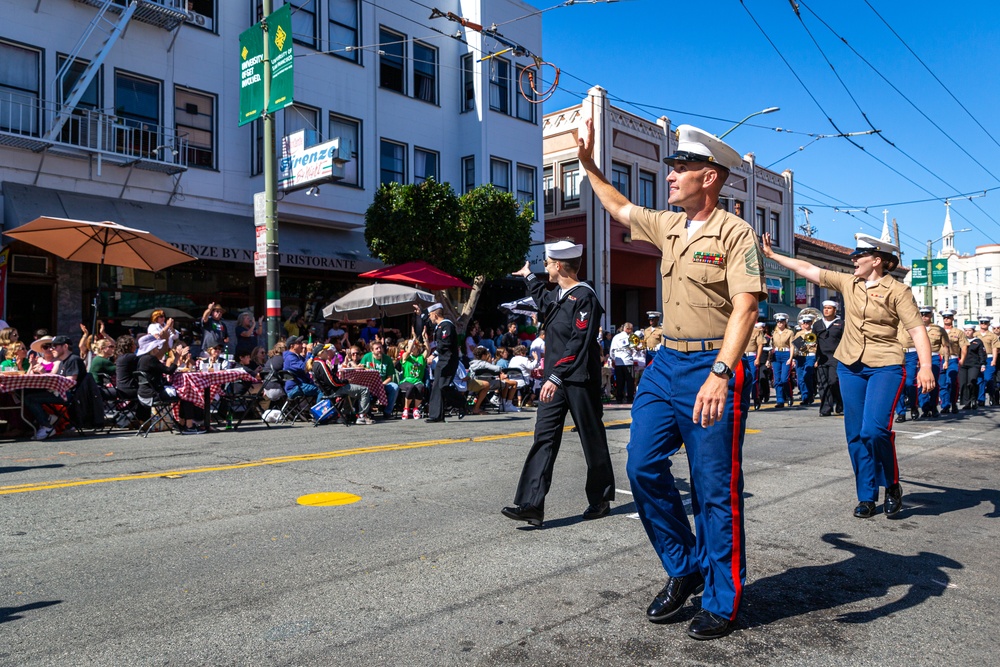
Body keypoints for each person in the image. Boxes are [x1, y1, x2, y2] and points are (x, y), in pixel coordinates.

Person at [578, 120, 763, 639]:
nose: (671, 177)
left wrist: (722, 373)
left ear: (710, 176)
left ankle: (724, 600)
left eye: (680, 169)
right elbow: (617, 205)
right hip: (665, 365)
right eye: (672, 169)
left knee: (714, 489)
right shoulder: (669, 226)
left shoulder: (736, 233)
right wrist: (590, 165)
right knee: (640, 466)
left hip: (712, 364)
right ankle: (685, 568)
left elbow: (746, 307)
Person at [763, 231, 934, 521]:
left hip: (885, 365)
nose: (853, 261)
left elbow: (916, 329)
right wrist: (773, 255)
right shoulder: (849, 282)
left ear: (877, 260)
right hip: (850, 365)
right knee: (855, 434)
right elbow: (809, 269)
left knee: (874, 430)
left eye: (859, 257)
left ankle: (891, 484)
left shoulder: (898, 291)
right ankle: (866, 496)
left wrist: (926, 366)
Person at [501, 240, 615, 528]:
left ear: (560, 266)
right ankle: (531, 505)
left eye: (549, 263)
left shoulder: (584, 297)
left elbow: (579, 341)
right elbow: (542, 300)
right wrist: (527, 275)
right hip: (556, 381)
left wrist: (555, 375)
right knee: (544, 437)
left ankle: (600, 498)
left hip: (578, 380)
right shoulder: (560, 296)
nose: (546, 267)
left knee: (592, 438)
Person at [23, 335, 88, 441]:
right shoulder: (62, 361)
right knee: (28, 394)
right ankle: (47, 419)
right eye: (50, 346)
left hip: (69, 394)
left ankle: (46, 426)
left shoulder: (73, 359)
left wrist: (45, 375)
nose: (52, 349)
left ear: (65, 346)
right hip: (60, 392)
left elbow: (70, 382)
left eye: (55, 346)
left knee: (30, 398)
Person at [416, 303, 459, 423]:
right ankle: (437, 415)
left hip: (448, 360)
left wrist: (433, 355)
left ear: (435, 314)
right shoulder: (440, 326)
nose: (429, 317)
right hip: (443, 360)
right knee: (437, 387)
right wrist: (421, 313)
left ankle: (461, 403)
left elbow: (445, 344)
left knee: (442, 386)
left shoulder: (447, 326)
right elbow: (428, 321)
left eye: (430, 315)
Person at [813, 300, 845, 417]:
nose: (826, 310)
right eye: (825, 308)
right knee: (823, 384)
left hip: (836, 357)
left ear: (835, 310)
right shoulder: (817, 324)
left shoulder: (841, 324)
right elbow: (811, 339)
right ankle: (826, 408)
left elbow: (845, 341)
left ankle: (840, 401)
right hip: (822, 357)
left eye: (829, 308)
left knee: (834, 381)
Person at [918, 307, 949, 418]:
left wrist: (946, 361)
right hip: (919, 358)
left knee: (933, 383)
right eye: (922, 314)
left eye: (926, 314)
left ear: (931, 315)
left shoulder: (938, 329)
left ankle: (933, 406)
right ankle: (925, 408)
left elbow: (945, 346)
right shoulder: (916, 328)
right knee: (920, 384)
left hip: (934, 357)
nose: (924, 317)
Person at [361, 340, 399, 418]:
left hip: (383, 383)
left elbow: (390, 377)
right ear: (372, 350)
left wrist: (381, 385)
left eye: (380, 348)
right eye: (377, 348)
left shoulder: (387, 359)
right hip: (370, 384)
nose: (379, 350)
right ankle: (366, 412)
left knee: (394, 387)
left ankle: (387, 412)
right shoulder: (366, 357)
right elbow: (361, 368)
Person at [938, 310, 966, 415]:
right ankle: (945, 405)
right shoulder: (938, 331)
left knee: (952, 382)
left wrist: (962, 359)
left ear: (952, 318)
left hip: (953, 359)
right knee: (942, 384)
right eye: (944, 317)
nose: (946, 319)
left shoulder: (958, 332)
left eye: (948, 317)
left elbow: (963, 347)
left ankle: (953, 403)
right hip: (940, 358)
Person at [893, 324, 921, 423]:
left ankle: (913, 405)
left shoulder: (911, 319)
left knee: (909, 382)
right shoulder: (892, 318)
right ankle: (901, 412)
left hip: (911, 353)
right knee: (898, 383)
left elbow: (920, 337)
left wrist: (921, 358)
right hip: (896, 352)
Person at [282, 336, 319, 402]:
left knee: (321, 386)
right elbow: (304, 367)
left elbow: (309, 365)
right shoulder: (290, 358)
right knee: (321, 390)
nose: (302, 345)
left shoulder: (297, 356)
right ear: (292, 346)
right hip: (295, 388)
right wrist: (309, 352)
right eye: (299, 343)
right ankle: (320, 411)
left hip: (300, 385)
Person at [791, 315, 818, 406]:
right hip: (800, 356)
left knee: (807, 376)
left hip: (810, 355)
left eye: (807, 322)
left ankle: (810, 395)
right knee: (801, 378)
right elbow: (797, 346)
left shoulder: (814, 333)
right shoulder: (799, 333)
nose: (805, 324)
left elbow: (817, 346)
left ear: (811, 323)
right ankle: (805, 397)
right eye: (804, 323)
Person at [398, 338, 427, 419]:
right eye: (409, 347)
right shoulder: (405, 356)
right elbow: (407, 352)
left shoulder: (421, 357)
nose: (411, 348)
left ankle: (415, 409)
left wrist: (426, 340)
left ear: (417, 348)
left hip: (418, 380)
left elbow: (427, 350)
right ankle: (406, 409)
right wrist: (411, 343)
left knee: (420, 387)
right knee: (410, 387)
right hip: (406, 380)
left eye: (414, 347)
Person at [973, 316, 999, 406]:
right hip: (977, 359)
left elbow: (995, 348)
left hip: (989, 358)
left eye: (985, 323)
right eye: (981, 323)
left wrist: (994, 360)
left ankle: (992, 396)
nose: (983, 324)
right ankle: (981, 399)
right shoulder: (975, 335)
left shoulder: (993, 336)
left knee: (988, 378)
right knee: (980, 380)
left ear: (988, 324)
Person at [770, 314, 794, 408]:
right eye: (778, 322)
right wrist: (769, 359)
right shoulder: (774, 333)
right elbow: (772, 346)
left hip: (786, 354)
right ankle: (780, 400)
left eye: (781, 321)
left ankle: (789, 396)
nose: (779, 323)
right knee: (777, 380)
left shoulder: (789, 332)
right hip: (776, 355)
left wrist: (790, 358)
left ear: (785, 322)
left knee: (784, 379)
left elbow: (792, 346)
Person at [609, 323, 637, 404]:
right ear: (629, 329)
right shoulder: (631, 337)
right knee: (630, 381)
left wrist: (613, 359)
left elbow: (611, 350)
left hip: (618, 362)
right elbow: (634, 349)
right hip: (628, 361)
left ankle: (619, 398)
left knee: (619, 381)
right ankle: (629, 398)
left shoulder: (616, 337)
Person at [960, 326, 986, 411]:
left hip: (974, 365)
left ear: (973, 331)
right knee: (964, 383)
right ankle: (967, 402)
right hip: (963, 365)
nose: (967, 332)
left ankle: (974, 398)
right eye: (966, 330)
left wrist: (983, 364)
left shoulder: (978, 341)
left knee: (972, 381)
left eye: (969, 330)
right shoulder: (962, 341)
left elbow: (981, 353)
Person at [744, 322, 766, 410]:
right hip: (742, 356)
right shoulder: (740, 329)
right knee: (743, 380)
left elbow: (760, 345)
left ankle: (756, 398)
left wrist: (758, 358)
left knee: (753, 379)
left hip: (752, 356)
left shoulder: (756, 331)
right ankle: (745, 400)